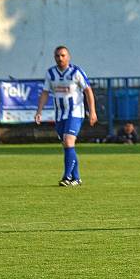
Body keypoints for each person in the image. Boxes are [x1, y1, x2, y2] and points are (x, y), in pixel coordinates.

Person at [35, 45, 98, 186]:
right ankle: (76, 178)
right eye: (57, 56)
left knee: (69, 142)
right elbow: (45, 92)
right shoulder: (51, 73)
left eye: (63, 55)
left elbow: (88, 91)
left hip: (75, 113)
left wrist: (92, 111)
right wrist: (39, 111)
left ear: (68, 57)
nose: (60, 58)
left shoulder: (76, 72)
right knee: (67, 145)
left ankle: (67, 177)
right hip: (59, 115)